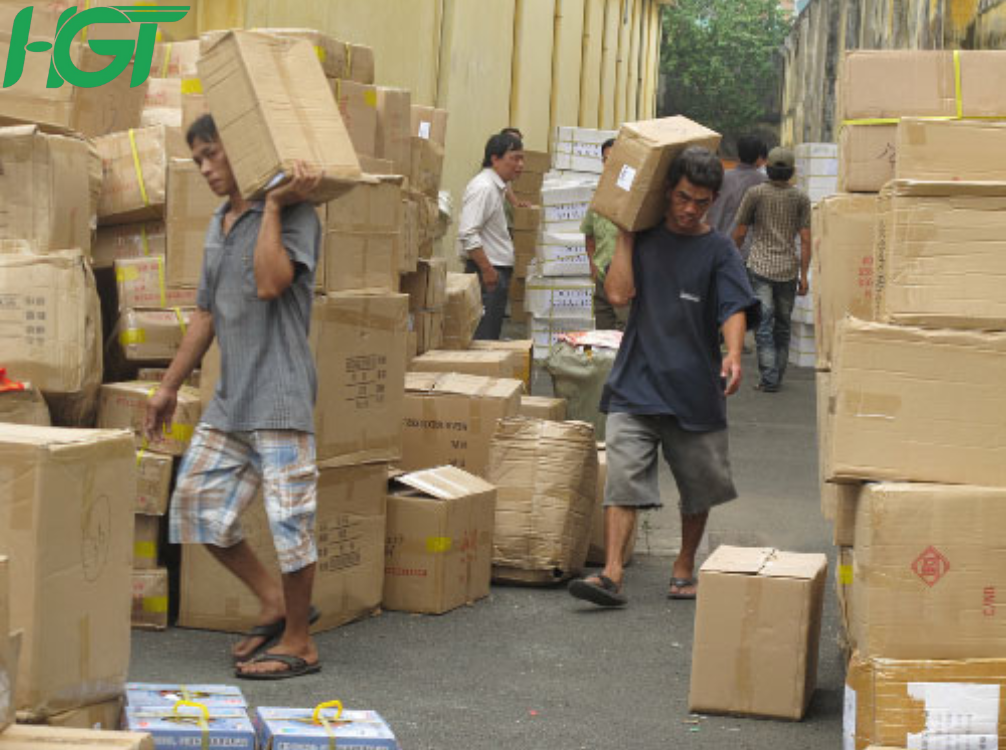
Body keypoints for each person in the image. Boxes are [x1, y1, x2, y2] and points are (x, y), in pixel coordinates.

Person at [144, 114, 324, 680]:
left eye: (212, 154)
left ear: (240, 150)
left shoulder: (297, 215)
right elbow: (205, 313)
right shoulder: (218, 223)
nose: (204, 168)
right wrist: (168, 386)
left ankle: (300, 642)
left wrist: (272, 205)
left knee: (291, 525)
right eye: (197, 159)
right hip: (231, 401)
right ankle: (273, 602)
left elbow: (271, 283)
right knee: (196, 506)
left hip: (281, 397)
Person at [568, 147, 758, 607]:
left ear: (713, 200)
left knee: (699, 486)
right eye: (683, 198)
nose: (690, 209)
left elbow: (734, 305)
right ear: (667, 191)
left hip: (695, 389)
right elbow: (618, 295)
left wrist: (733, 354)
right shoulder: (644, 240)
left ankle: (683, 566)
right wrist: (626, 232)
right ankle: (612, 573)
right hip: (636, 382)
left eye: (701, 202)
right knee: (622, 479)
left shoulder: (718, 250)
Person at [732, 146, 811, 393]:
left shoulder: (755, 194)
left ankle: (769, 377)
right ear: (792, 172)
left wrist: (731, 260)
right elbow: (805, 240)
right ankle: (777, 374)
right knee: (783, 325)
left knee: (763, 324)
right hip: (788, 269)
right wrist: (804, 275)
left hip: (760, 267)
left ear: (767, 169)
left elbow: (740, 232)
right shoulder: (801, 198)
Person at [458, 132, 525, 340]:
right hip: (487, 272)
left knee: (491, 333)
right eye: (514, 158)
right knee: (484, 337)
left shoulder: (497, 187)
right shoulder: (484, 188)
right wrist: (487, 270)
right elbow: (468, 233)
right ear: (495, 159)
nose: (520, 165)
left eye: (522, 159)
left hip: (493, 271)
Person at [581, 138, 628, 331]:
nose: (609, 165)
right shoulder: (598, 197)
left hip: (626, 281)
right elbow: (589, 235)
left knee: (624, 333)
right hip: (602, 279)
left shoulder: (635, 197)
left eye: (614, 160)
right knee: (603, 334)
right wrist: (594, 267)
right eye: (605, 160)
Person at [706, 134, 767, 260]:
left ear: (738, 154)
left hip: (721, 249)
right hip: (753, 254)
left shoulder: (723, 178)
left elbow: (713, 214)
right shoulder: (765, 183)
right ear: (758, 156)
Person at [500, 127, 532, 231]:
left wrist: (517, 203)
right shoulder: (488, 179)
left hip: (507, 222)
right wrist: (516, 203)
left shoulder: (511, 167)